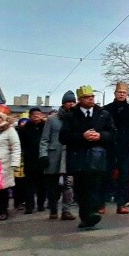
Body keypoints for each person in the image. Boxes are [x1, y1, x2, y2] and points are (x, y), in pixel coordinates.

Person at [59, 85, 116, 229]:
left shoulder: (103, 114)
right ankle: (86, 216)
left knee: (95, 186)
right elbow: (64, 137)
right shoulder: (71, 115)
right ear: (80, 100)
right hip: (78, 158)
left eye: (92, 96)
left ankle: (92, 212)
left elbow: (112, 134)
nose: (91, 99)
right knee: (81, 188)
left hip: (97, 157)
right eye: (86, 97)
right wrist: (82, 136)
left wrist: (100, 136)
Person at [39, 91, 77, 220]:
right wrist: (43, 155)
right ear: (63, 103)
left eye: (73, 101)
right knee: (53, 186)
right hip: (54, 156)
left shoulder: (76, 118)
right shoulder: (52, 119)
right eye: (69, 102)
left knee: (68, 185)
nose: (71, 104)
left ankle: (66, 210)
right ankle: (53, 209)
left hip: (69, 157)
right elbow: (44, 139)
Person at [103, 82, 129, 214]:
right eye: (119, 92)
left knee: (124, 176)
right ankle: (102, 203)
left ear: (127, 94)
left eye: (124, 92)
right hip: (110, 146)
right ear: (115, 94)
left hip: (126, 147)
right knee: (106, 175)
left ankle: (121, 203)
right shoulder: (106, 109)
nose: (122, 94)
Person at [17, 107, 47, 213]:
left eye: (38, 113)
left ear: (42, 115)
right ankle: (29, 206)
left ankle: (41, 204)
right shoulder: (24, 129)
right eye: (33, 114)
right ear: (29, 116)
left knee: (42, 184)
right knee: (29, 184)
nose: (36, 115)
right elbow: (21, 144)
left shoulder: (45, 127)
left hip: (42, 158)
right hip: (29, 159)